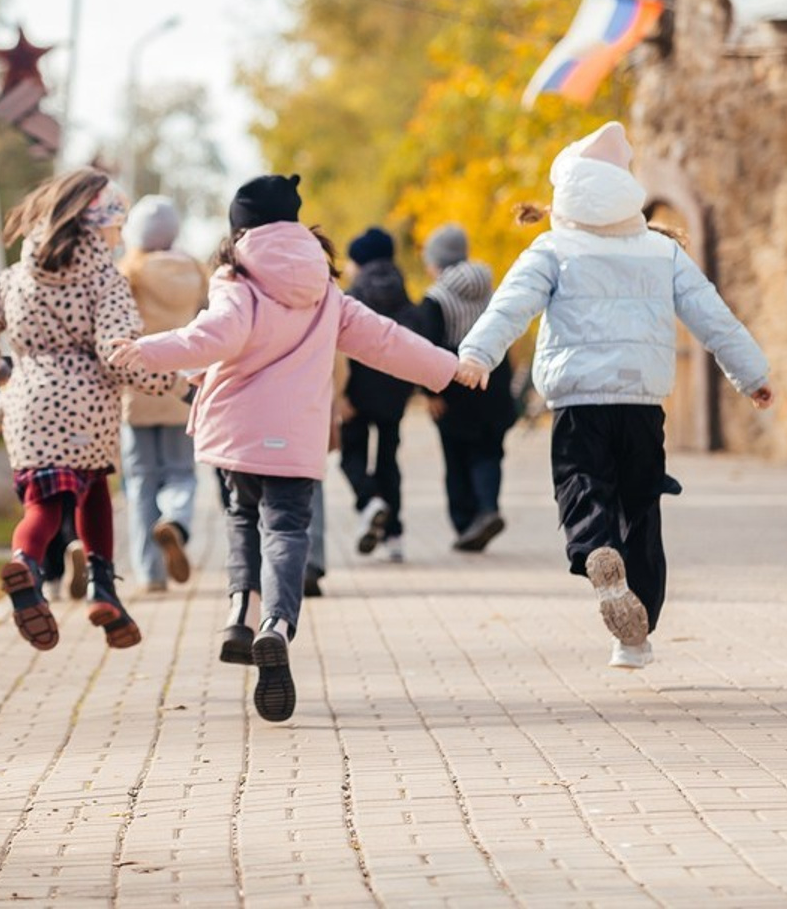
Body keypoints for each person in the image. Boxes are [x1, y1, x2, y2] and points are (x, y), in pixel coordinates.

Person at [110, 174, 467, 722]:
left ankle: (241, 611)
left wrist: (146, 350)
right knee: (287, 529)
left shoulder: (237, 278)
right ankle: (276, 624)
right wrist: (447, 367)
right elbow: (384, 340)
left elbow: (214, 337)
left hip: (237, 432)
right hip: (296, 436)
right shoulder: (324, 287)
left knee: (241, 516)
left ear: (240, 227)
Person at [454, 122, 775, 668]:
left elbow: (510, 305)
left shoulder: (553, 248)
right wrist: (752, 373)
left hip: (579, 402)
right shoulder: (660, 250)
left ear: (566, 192)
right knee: (640, 508)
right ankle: (635, 636)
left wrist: (477, 355)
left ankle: (597, 551)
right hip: (641, 404)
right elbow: (711, 315)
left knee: (583, 487)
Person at [0, 168, 178, 653]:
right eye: (116, 227)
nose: (119, 239)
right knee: (94, 493)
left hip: (28, 406)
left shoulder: (18, 277)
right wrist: (173, 383)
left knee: (43, 505)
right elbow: (118, 352)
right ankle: (104, 589)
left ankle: (25, 564)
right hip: (88, 410)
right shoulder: (105, 280)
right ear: (99, 226)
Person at [118, 195, 209, 592]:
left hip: (137, 392)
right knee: (181, 472)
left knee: (141, 481)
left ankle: (150, 573)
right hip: (182, 391)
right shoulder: (196, 273)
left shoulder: (128, 274)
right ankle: (176, 519)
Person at [415, 223, 517, 553]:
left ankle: (465, 522)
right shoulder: (492, 289)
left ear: (437, 261)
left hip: (455, 382)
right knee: (489, 451)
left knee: (456, 457)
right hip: (494, 377)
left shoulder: (435, 298)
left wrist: (430, 392)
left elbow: (427, 346)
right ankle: (488, 509)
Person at [339, 226, 422, 562]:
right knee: (389, 461)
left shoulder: (351, 297)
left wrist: (339, 395)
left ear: (359, 260)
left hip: (356, 392)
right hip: (394, 391)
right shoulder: (403, 293)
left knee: (351, 456)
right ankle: (394, 535)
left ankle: (369, 501)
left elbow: (339, 347)